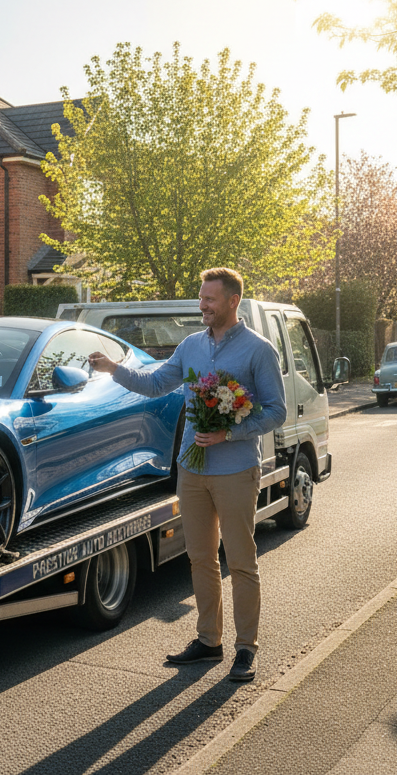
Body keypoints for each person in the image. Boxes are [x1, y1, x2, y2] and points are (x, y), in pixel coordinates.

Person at [88, 267, 285, 683]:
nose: (203, 306)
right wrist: (112, 368)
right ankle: (209, 640)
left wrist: (230, 430)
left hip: (235, 469)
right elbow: (157, 383)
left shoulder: (258, 350)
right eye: (201, 298)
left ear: (232, 301)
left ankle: (246, 648)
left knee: (242, 561)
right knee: (200, 557)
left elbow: (276, 411)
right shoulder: (191, 345)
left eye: (210, 299)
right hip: (191, 468)